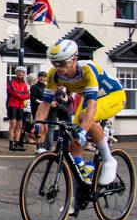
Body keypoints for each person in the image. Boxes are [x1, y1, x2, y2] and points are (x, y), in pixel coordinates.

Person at [32, 39, 126, 186]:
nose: (58, 68)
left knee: (84, 120)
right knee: (73, 140)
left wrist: (83, 131)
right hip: (89, 98)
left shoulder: (87, 70)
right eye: (54, 63)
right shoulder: (54, 75)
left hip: (113, 96)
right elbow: (45, 103)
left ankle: (108, 160)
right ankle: (78, 191)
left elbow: (92, 106)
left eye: (62, 63)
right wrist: (38, 123)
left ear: (74, 60)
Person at [6, 67, 30, 151]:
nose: (20, 73)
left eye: (22, 72)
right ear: (16, 73)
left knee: (19, 125)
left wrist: (20, 94)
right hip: (12, 105)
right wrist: (21, 94)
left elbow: (27, 95)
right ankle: (11, 143)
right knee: (13, 124)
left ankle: (17, 143)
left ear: (24, 74)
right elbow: (13, 92)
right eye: (19, 72)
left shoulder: (24, 84)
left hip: (20, 106)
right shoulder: (11, 82)